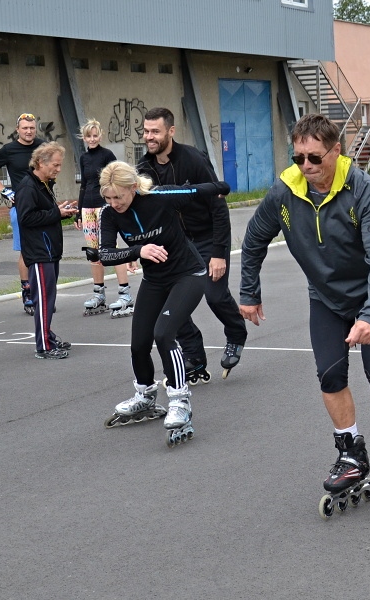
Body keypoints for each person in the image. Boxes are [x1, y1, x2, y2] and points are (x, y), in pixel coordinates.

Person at [238, 114, 370, 519]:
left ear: (336, 151)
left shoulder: (363, 190)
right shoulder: (285, 191)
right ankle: (350, 453)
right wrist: (249, 292)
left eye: (314, 157)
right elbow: (253, 240)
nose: (306, 166)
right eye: (298, 157)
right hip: (325, 297)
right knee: (329, 375)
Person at [93, 160, 230, 446]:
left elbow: (196, 190)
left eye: (118, 196)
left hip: (188, 274)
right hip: (154, 280)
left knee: (164, 333)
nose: (114, 203)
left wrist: (221, 188)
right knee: (139, 343)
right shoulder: (108, 214)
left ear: (133, 187)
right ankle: (145, 395)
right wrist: (138, 250)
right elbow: (104, 254)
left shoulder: (159, 197)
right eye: (108, 197)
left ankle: (179, 400)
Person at [136, 107, 247, 383]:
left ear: (171, 131)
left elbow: (218, 206)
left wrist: (219, 253)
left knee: (215, 295)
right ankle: (194, 356)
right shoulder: (143, 168)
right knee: (171, 300)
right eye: (146, 131)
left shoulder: (193, 159)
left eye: (155, 131)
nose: (149, 137)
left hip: (207, 237)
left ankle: (236, 332)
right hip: (177, 244)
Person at [16, 142, 78, 359]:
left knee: (49, 299)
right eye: (55, 165)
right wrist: (56, 213)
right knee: (43, 301)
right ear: (41, 163)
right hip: (39, 252)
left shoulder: (44, 184)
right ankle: (44, 346)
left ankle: (48, 337)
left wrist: (61, 212)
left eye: (60, 165)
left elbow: (44, 214)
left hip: (50, 251)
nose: (58, 169)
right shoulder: (28, 187)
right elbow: (26, 218)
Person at [0, 112, 43, 315]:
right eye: (25, 128)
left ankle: (42, 293)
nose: (28, 131)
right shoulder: (9, 150)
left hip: (43, 205)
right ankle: (27, 292)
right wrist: (4, 190)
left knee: (44, 251)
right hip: (22, 206)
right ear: (18, 130)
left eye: (32, 128)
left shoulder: (43, 147)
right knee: (26, 251)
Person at [74, 118, 133, 317]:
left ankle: (125, 293)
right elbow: (83, 185)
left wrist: (118, 203)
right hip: (87, 207)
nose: (92, 139)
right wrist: (78, 211)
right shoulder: (83, 157)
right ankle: (99, 294)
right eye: (88, 136)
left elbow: (117, 180)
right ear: (84, 138)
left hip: (104, 206)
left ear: (100, 136)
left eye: (95, 135)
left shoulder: (107, 155)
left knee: (110, 248)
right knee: (93, 252)